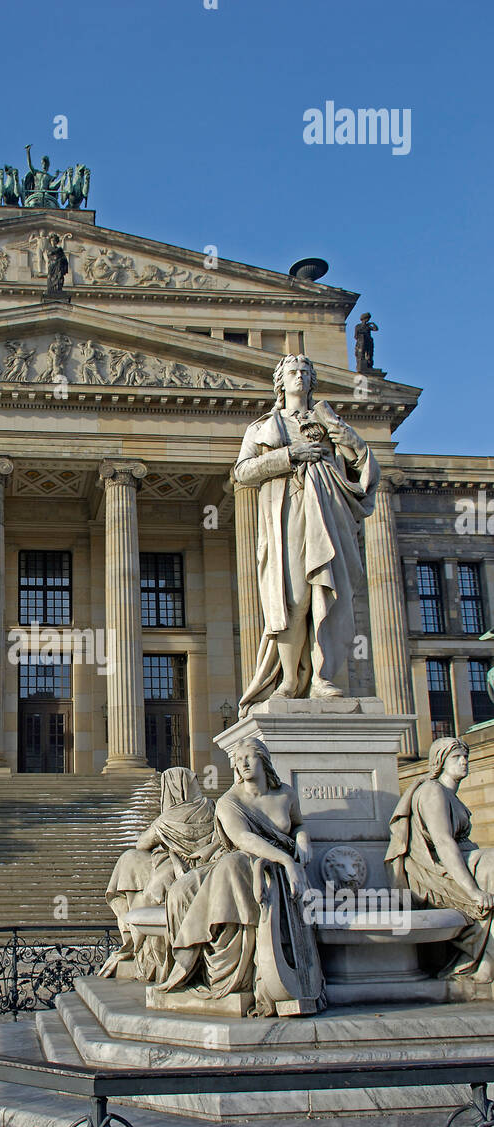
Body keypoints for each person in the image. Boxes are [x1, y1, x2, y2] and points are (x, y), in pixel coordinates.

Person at [235, 355, 379, 713]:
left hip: (327, 514)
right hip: (286, 515)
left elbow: (364, 467)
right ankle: (287, 680)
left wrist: (347, 439)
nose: (299, 377)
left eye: (305, 372)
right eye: (292, 373)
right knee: (292, 599)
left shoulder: (330, 420)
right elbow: (243, 472)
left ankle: (323, 677)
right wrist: (289, 455)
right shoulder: (263, 426)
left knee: (326, 595)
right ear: (279, 383)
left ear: (313, 380)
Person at [158, 738, 321, 1016]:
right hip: (248, 858)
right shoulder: (229, 801)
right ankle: (207, 969)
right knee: (189, 888)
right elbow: (242, 838)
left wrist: (302, 838)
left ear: (264, 760)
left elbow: (298, 824)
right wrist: (285, 859)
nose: (243, 763)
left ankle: (245, 972)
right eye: (239, 759)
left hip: (268, 865)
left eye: (250, 757)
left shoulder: (286, 795)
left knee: (232, 869)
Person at [385, 737, 494, 980]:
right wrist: (473, 891)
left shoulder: (449, 793)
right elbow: (444, 844)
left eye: (465, 756)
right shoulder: (432, 791)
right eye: (456, 757)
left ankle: (486, 958)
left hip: (460, 860)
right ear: (440, 761)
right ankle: (478, 959)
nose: (464, 761)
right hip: (433, 872)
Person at [100, 768, 217, 980]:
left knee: (132, 864)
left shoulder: (168, 818)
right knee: (136, 866)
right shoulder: (211, 808)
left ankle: (139, 945)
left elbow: (142, 843)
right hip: (205, 869)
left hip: (180, 874)